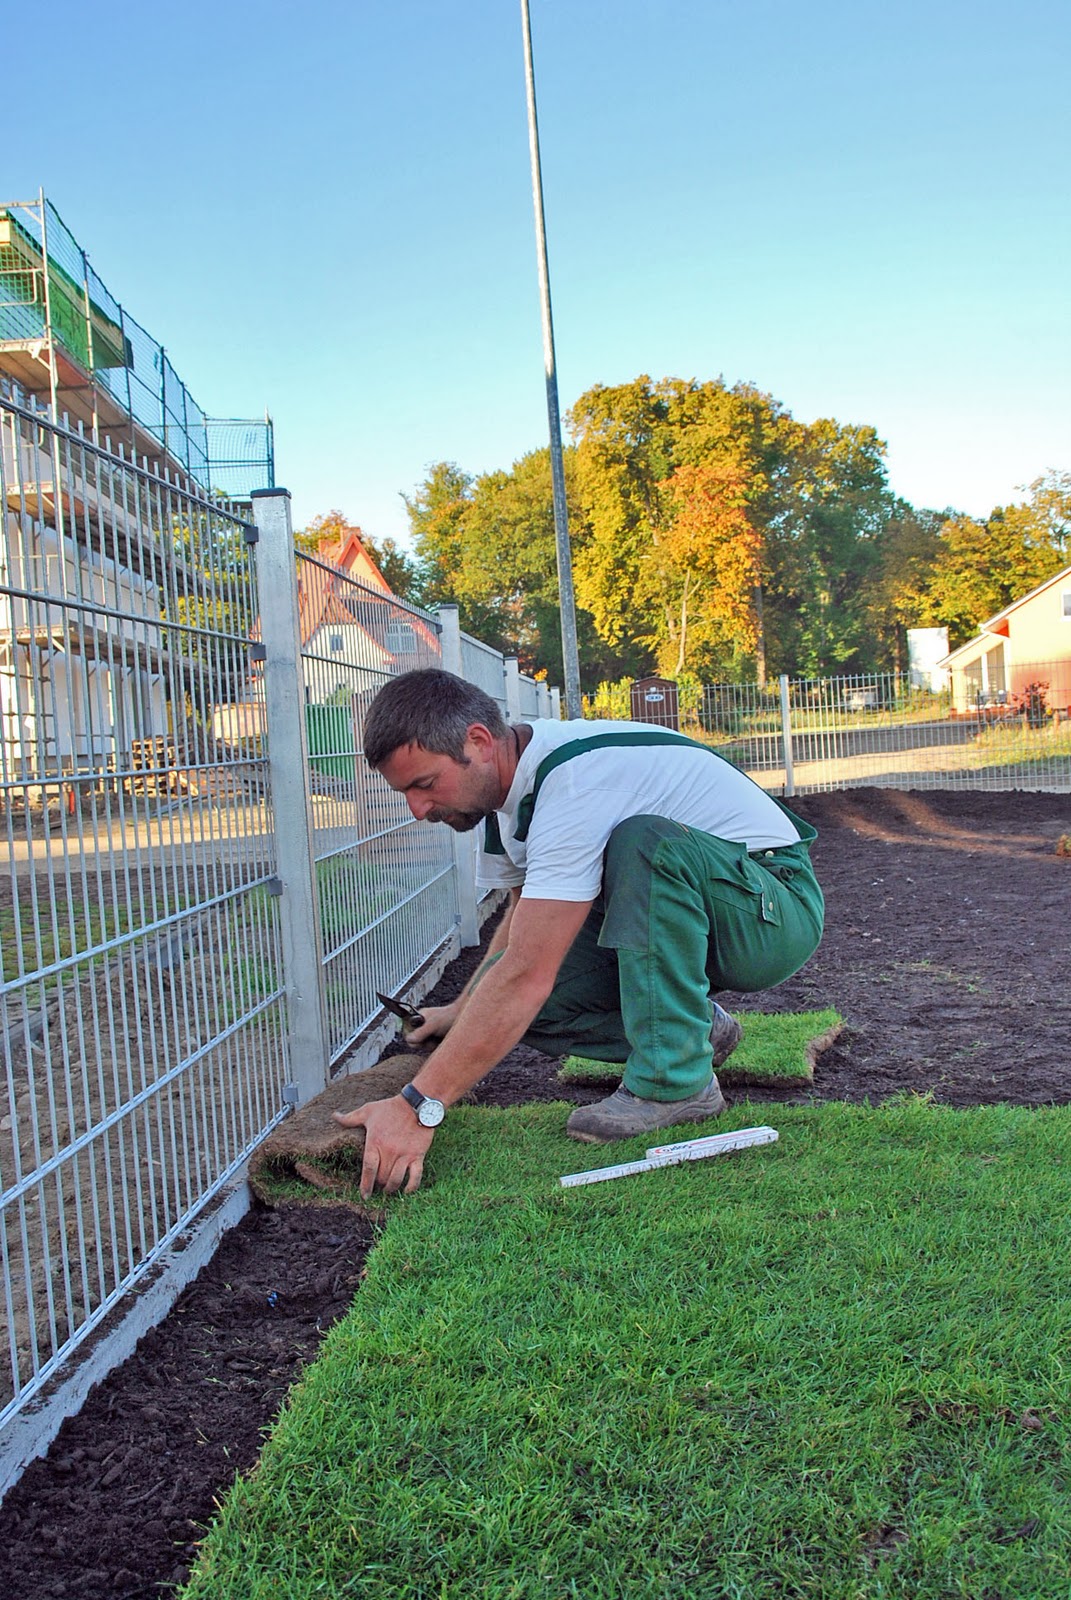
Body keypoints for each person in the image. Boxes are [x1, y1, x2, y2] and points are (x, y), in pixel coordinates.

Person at [335, 668, 824, 1197]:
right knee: (512, 1009)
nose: (417, 809)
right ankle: (697, 1034)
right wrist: (462, 1008)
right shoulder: (507, 803)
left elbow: (527, 974)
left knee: (646, 844)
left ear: (477, 741)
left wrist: (418, 1107)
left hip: (772, 908)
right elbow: (523, 936)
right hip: (715, 904)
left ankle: (676, 1083)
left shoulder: (573, 781)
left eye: (424, 784)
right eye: (404, 792)